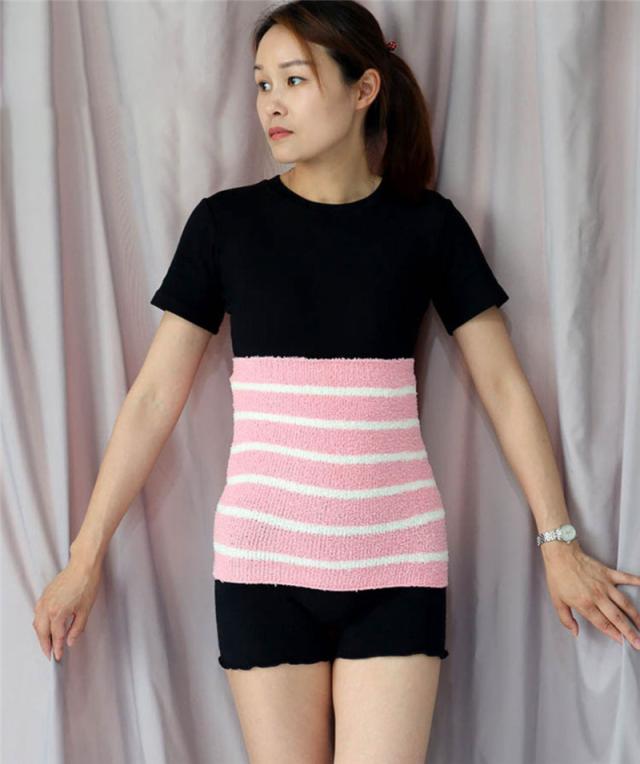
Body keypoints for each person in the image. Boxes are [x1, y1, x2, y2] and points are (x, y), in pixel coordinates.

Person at [33, 2, 640, 762]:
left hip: (396, 562)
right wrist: (84, 559)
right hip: (262, 565)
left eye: (294, 79)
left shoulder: (428, 226)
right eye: (262, 84)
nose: (272, 103)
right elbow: (154, 397)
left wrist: (559, 544)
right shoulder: (225, 225)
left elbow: (503, 385)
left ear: (364, 89)